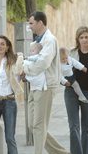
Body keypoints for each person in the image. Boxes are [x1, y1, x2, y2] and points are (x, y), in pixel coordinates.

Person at [23, 11, 70, 154]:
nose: (29, 26)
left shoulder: (50, 40)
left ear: (40, 23)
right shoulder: (37, 41)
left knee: (38, 125)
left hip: (45, 87)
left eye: (31, 23)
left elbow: (43, 63)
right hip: (35, 86)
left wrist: (24, 67)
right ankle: (61, 152)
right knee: (33, 125)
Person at [64, 26, 88, 154]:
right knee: (73, 127)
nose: (84, 40)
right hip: (71, 92)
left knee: (87, 128)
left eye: (86, 37)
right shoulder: (71, 52)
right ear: (78, 39)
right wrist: (64, 81)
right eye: (81, 37)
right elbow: (61, 68)